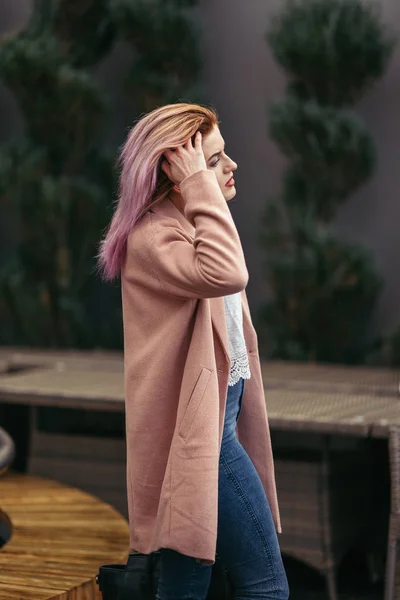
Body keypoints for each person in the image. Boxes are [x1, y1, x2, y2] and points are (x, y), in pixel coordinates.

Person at [98, 102, 289, 600]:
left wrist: (200, 187)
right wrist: (201, 187)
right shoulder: (154, 238)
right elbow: (228, 273)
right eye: (213, 159)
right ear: (175, 175)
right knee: (265, 588)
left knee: (188, 582)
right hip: (201, 439)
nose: (231, 167)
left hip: (216, 425)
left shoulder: (192, 228)